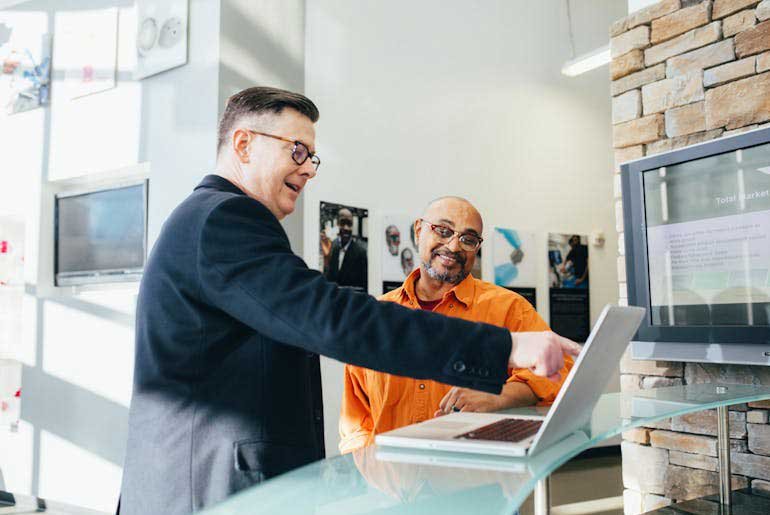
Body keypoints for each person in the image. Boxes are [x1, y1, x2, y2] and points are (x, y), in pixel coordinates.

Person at [119, 86, 581, 514]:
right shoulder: (225, 219)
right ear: (243, 145)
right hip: (210, 490)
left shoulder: (209, 219)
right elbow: (333, 319)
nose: (306, 168)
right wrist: (504, 347)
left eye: (312, 157)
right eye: (296, 150)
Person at [339, 197, 573, 453]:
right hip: (392, 484)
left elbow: (561, 371)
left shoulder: (509, 308)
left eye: (468, 239)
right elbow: (356, 420)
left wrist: (499, 395)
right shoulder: (377, 317)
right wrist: (371, 474)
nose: (453, 246)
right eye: (443, 230)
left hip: (475, 479)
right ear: (419, 230)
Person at [320, 207, 368, 290]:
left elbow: (364, 286)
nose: (346, 228)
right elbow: (329, 279)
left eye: (349, 224)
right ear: (337, 224)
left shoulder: (361, 252)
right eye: (342, 223)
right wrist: (326, 259)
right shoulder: (333, 246)